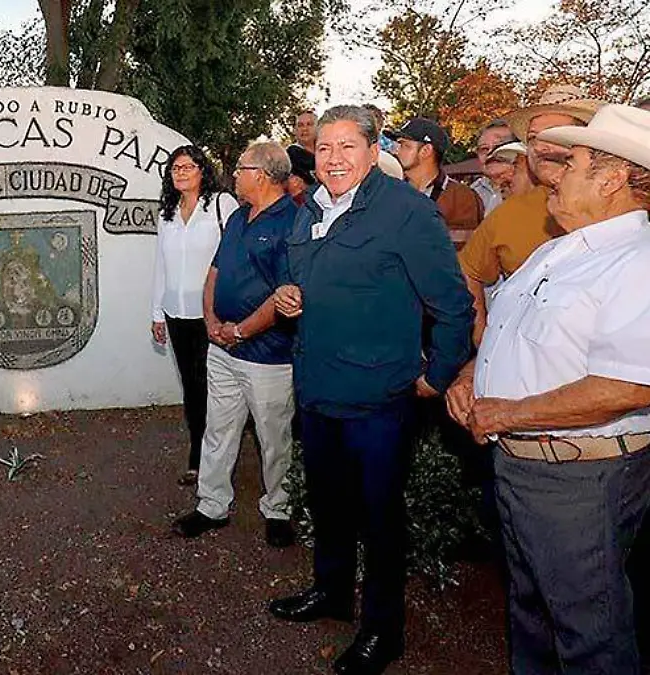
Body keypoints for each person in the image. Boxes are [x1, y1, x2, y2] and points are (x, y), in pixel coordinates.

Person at [267, 105, 473, 675]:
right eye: (324, 147)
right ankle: (331, 592)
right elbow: (297, 275)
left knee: (380, 518)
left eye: (346, 147)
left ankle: (384, 630)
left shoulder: (405, 211)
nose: (333, 158)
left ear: (372, 149)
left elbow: (454, 305)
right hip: (317, 391)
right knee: (328, 505)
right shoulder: (311, 207)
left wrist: (438, 376)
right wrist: (287, 294)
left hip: (378, 400)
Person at [446, 104, 650, 674]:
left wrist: (505, 413)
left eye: (572, 163)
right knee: (532, 616)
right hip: (526, 467)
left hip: (580, 481)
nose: (554, 174)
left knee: (589, 637)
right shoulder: (560, 248)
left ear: (612, 179)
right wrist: (471, 376)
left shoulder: (637, 263)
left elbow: (631, 386)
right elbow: (512, 335)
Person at [170, 141, 297, 548]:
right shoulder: (240, 216)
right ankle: (211, 505)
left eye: (241, 168)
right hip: (223, 349)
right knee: (218, 429)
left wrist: (240, 330)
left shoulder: (292, 221)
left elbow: (285, 295)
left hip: (268, 356)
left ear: (263, 175)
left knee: (273, 437)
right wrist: (210, 319)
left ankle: (279, 509)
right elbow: (215, 271)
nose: (235, 175)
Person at [458, 84, 602, 347]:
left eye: (555, 133)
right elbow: (469, 270)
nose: (540, 146)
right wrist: (482, 338)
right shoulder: (511, 212)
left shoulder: (627, 204)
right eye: (533, 137)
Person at [150, 146, 239, 485]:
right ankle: (198, 456)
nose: (181, 173)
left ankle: (219, 460)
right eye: (175, 168)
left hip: (212, 314)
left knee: (217, 388)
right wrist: (157, 313)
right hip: (176, 313)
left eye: (188, 166)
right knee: (192, 387)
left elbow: (236, 258)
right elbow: (161, 264)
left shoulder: (221, 205)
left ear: (203, 170)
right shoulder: (167, 212)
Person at [388, 117, 484, 249]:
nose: (396, 151)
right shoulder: (389, 192)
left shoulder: (463, 198)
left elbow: (466, 252)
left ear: (426, 151)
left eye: (404, 145)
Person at [470, 120, 518, 215]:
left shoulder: (534, 190)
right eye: (484, 149)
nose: (490, 153)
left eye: (499, 146)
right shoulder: (471, 193)